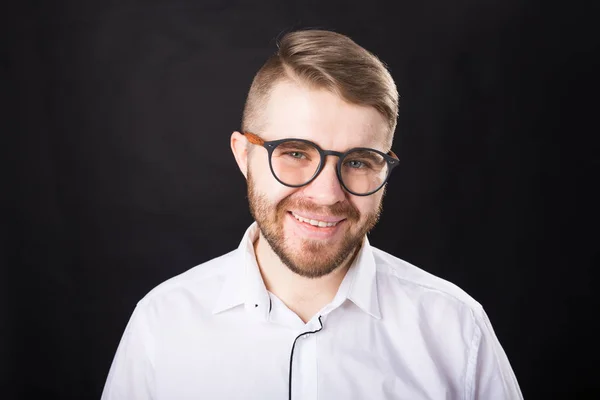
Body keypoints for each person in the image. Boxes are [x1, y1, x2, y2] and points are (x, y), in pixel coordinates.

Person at [101, 29, 523, 400]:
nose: (326, 194)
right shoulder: (162, 323)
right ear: (243, 155)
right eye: (296, 153)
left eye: (358, 161)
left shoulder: (455, 329)